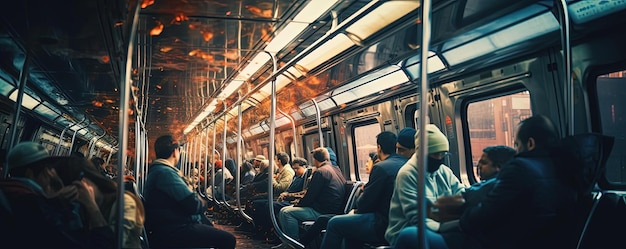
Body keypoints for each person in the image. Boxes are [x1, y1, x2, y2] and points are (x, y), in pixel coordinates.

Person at [432, 115, 577, 249]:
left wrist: (457, 223)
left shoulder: (520, 168)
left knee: (411, 235)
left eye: (517, 144)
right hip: (549, 241)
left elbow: (486, 213)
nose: (517, 151)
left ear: (530, 143)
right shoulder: (570, 169)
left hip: (512, 241)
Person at [0, 142, 113, 248]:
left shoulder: (9, 190)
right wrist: (91, 206)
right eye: (47, 170)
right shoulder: (31, 204)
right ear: (29, 173)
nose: (51, 175)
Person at [321, 130, 411, 249]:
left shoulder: (380, 168)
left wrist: (361, 197)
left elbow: (364, 205)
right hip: (404, 222)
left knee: (334, 223)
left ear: (379, 147)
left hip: (383, 222)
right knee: (351, 230)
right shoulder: (408, 164)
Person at [143, 134, 236, 248]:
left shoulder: (157, 171)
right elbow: (193, 204)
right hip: (174, 229)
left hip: (166, 225)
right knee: (227, 239)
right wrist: (202, 202)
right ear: (175, 152)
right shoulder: (165, 173)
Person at [386, 124, 466, 249]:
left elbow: (461, 193)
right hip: (407, 230)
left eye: (442, 154)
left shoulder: (444, 171)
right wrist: (445, 226)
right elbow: (415, 216)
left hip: (439, 226)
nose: (440, 158)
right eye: (435, 154)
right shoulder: (407, 174)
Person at [55, 156, 145, 248]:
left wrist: (91, 207)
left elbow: (112, 245)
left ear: (83, 182)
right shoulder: (77, 207)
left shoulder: (124, 203)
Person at [274, 147, 346, 248]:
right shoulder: (336, 169)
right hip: (332, 208)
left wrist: (297, 204)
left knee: (286, 213)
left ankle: (294, 244)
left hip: (322, 210)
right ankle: (288, 242)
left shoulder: (320, 172)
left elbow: (310, 197)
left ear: (315, 160)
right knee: (285, 210)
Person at [249, 157, 309, 240]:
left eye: (297, 168)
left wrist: (273, 180)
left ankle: (273, 232)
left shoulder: (300, 176)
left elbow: (282, 187)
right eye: (294, 168)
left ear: (304, 167)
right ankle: (263, 230)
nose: (295, 170)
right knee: (258, 203)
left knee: (269, 206)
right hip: (286, 197)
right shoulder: (297, 177)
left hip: (291, 200)